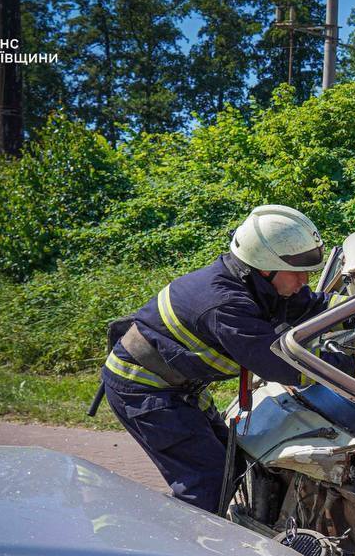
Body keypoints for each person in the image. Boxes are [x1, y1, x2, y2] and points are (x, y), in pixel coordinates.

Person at [102, 204, 331, 511]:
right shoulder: (225, 304)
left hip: (179, 386)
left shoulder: (261, 285)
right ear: (265, 267)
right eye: (298, 273)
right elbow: (283, 365)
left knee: (231, 467)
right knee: (207, 483)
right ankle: (183, 551)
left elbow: (316, 309)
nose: (304, 281)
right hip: (144, 390)